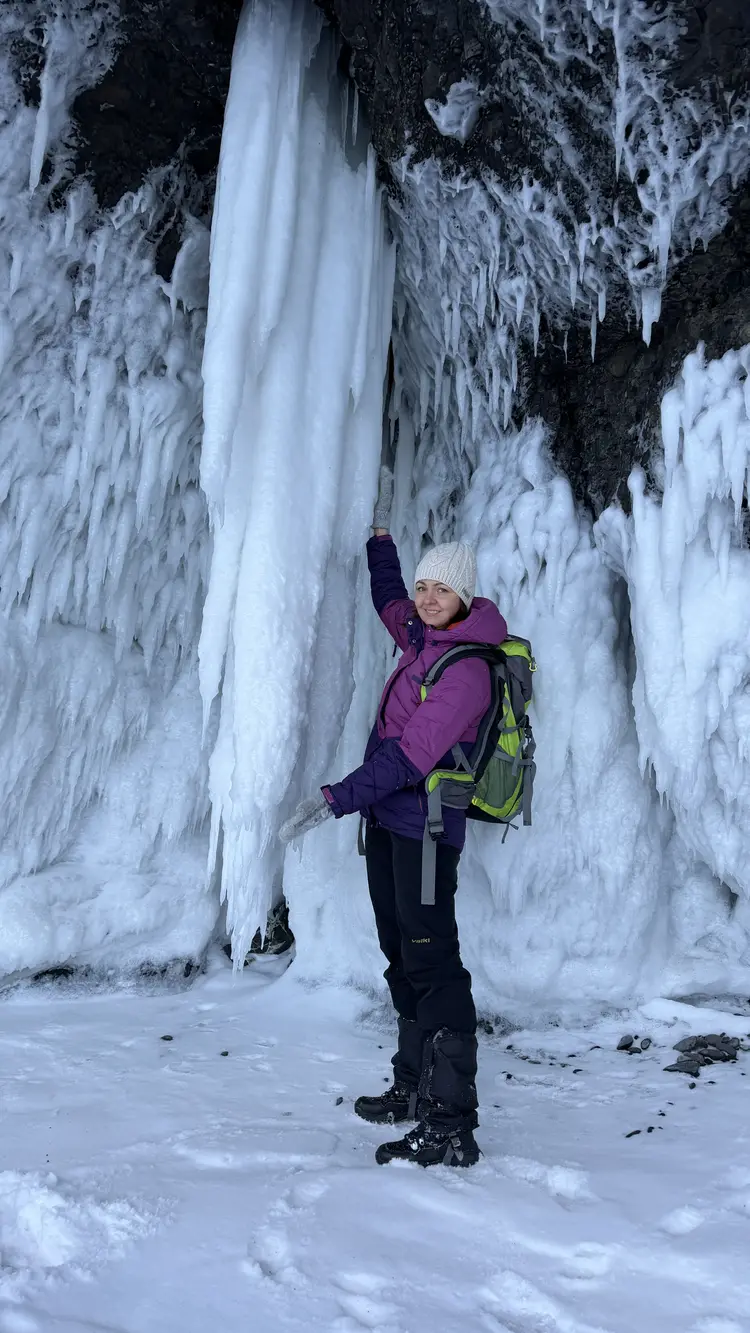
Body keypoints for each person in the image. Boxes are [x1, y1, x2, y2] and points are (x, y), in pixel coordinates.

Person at [280, 468, 507, 1167]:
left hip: (428, 836)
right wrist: (382, 538)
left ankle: (451, 1122)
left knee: (436, 966)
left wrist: (332, 797)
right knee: (401, 955)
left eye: (441, 587)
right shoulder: (421, 641)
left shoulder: (466, 669)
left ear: (464, 596)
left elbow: (410, 757)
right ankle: (413, 1085)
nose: (426, 596)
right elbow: (387, 595)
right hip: (389, 830)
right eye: (424, 585)